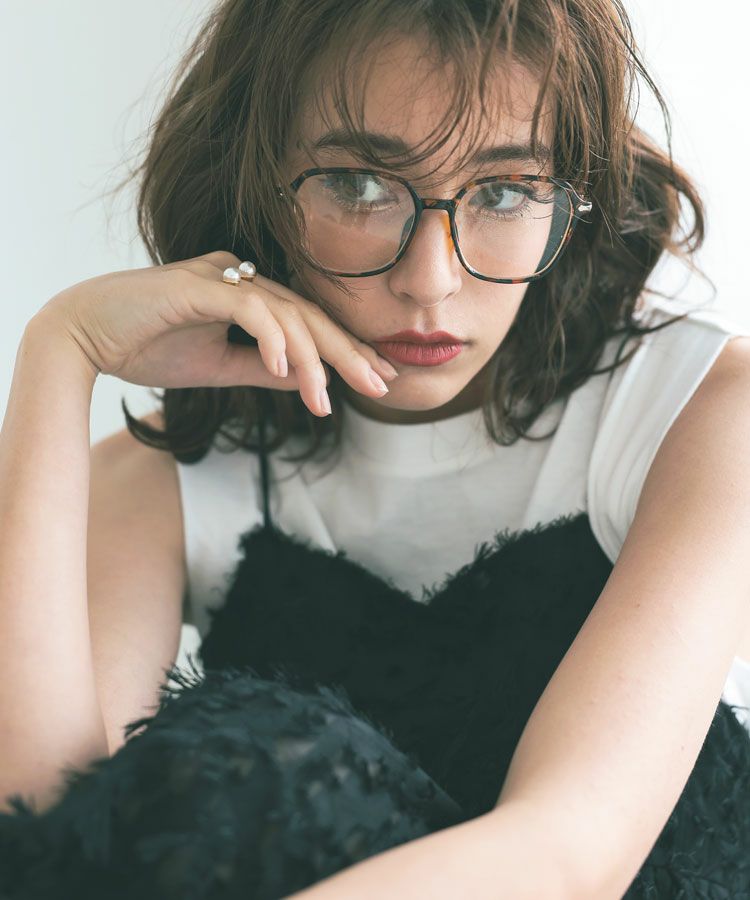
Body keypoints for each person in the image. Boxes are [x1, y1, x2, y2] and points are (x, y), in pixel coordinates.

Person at [1, 0, 749, 897]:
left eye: (504, 191)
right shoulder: (177, 473)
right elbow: (48, 844)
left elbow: (567, 853)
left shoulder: (692, 417)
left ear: (571, 198)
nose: (430, 280)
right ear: (257, 184)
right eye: (359, 185)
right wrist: (60, 355)